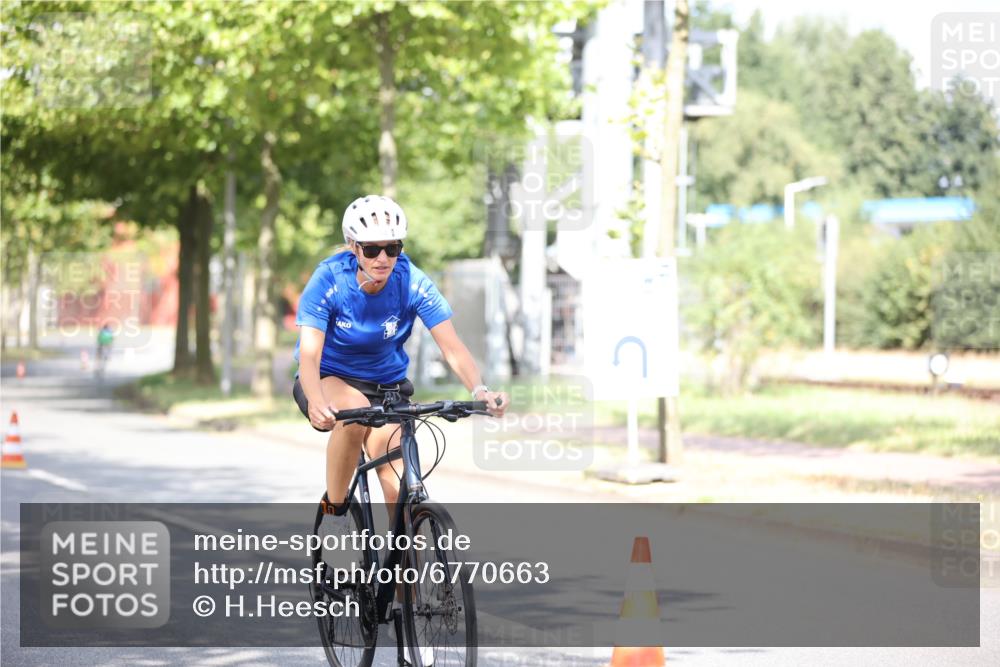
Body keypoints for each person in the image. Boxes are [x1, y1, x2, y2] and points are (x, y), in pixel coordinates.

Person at [292, 195, 510, 519]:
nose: (383, 258)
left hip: (387, 386)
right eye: (371, 249)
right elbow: (309, 356)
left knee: (401, 498)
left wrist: (479, 391)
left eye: (392, 248)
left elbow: (451, 346)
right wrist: (315, 402)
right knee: (354, 415)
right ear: (353, 246)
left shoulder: (411, 281)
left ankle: (410, 564)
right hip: (330, 378)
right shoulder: (328, 281)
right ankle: (335, 511)